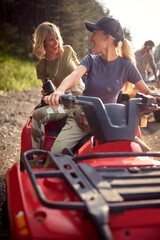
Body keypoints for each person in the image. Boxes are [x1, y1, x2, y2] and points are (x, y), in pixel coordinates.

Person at [44, 17, 160, 168]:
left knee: (146, 154)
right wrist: (59, 91)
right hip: (83, 118)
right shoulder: (91, 60)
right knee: (57, 152)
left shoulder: (126, 66)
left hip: (110, 122)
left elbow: (147, 91)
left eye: (94, 33)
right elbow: (74, 76)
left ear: (107, 37)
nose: (91, 38)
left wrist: (156, 97)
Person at [31, 22, 85, 153]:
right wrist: (47, 94)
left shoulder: (67, 50)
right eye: (51, 40)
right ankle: (36, 157)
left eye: (57, 38)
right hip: (65, 102)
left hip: (82, 97)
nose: (56, 43)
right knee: (37, 115)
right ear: (42, 42)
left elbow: (82, 71)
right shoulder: (41, 66)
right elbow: (50, 89)